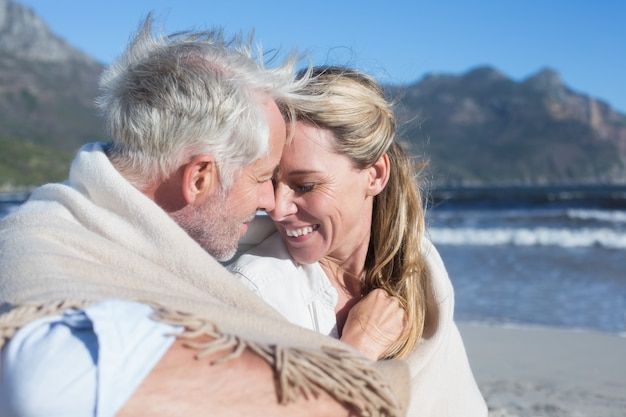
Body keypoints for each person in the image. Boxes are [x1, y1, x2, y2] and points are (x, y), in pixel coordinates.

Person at [0, 18, 411, 417]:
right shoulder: (41, 253)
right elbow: (43, 386)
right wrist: (351, 361)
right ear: (200, 177)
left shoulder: (93, 230)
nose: (272, 202)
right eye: (264, 178)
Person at [228, 67, 488, 416]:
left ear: (375, 175)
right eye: (272, 182)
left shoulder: (421, 272)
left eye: (305, 186)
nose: (277, 208)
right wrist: (357, 349)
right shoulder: (256, 291)